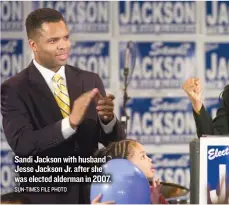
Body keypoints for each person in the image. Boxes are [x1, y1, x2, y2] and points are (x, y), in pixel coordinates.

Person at [0, 8, 126, 204]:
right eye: (53, 41)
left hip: (93, 194)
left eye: (66, 38)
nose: (64, 46)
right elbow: (22, 144)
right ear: (33, 45)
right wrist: (70, 123)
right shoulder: (15, 88)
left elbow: (114, 143)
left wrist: (108, 121)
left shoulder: (89, 80)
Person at [94, 139, 168, 204]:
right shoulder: (109, 197)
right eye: (143, 156)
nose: (150, 159)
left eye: (146, 155)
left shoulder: (155, 194)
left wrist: (156, 203)